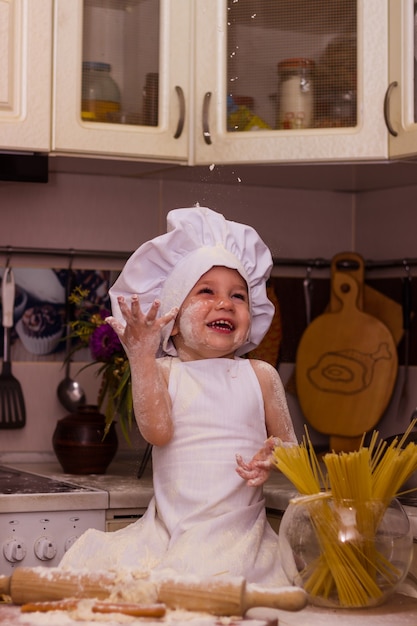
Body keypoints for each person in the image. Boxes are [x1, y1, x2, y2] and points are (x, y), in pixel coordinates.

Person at [60, 206, 297, 586]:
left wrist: (277, 458)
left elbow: (294, 452)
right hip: (172, 534)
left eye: (239, 295)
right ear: (171, 319)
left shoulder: (260, 376)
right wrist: (141, 356)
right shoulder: (167, 373)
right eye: (207, 291)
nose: (226, 303)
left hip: (242, 540)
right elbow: (158, 432)